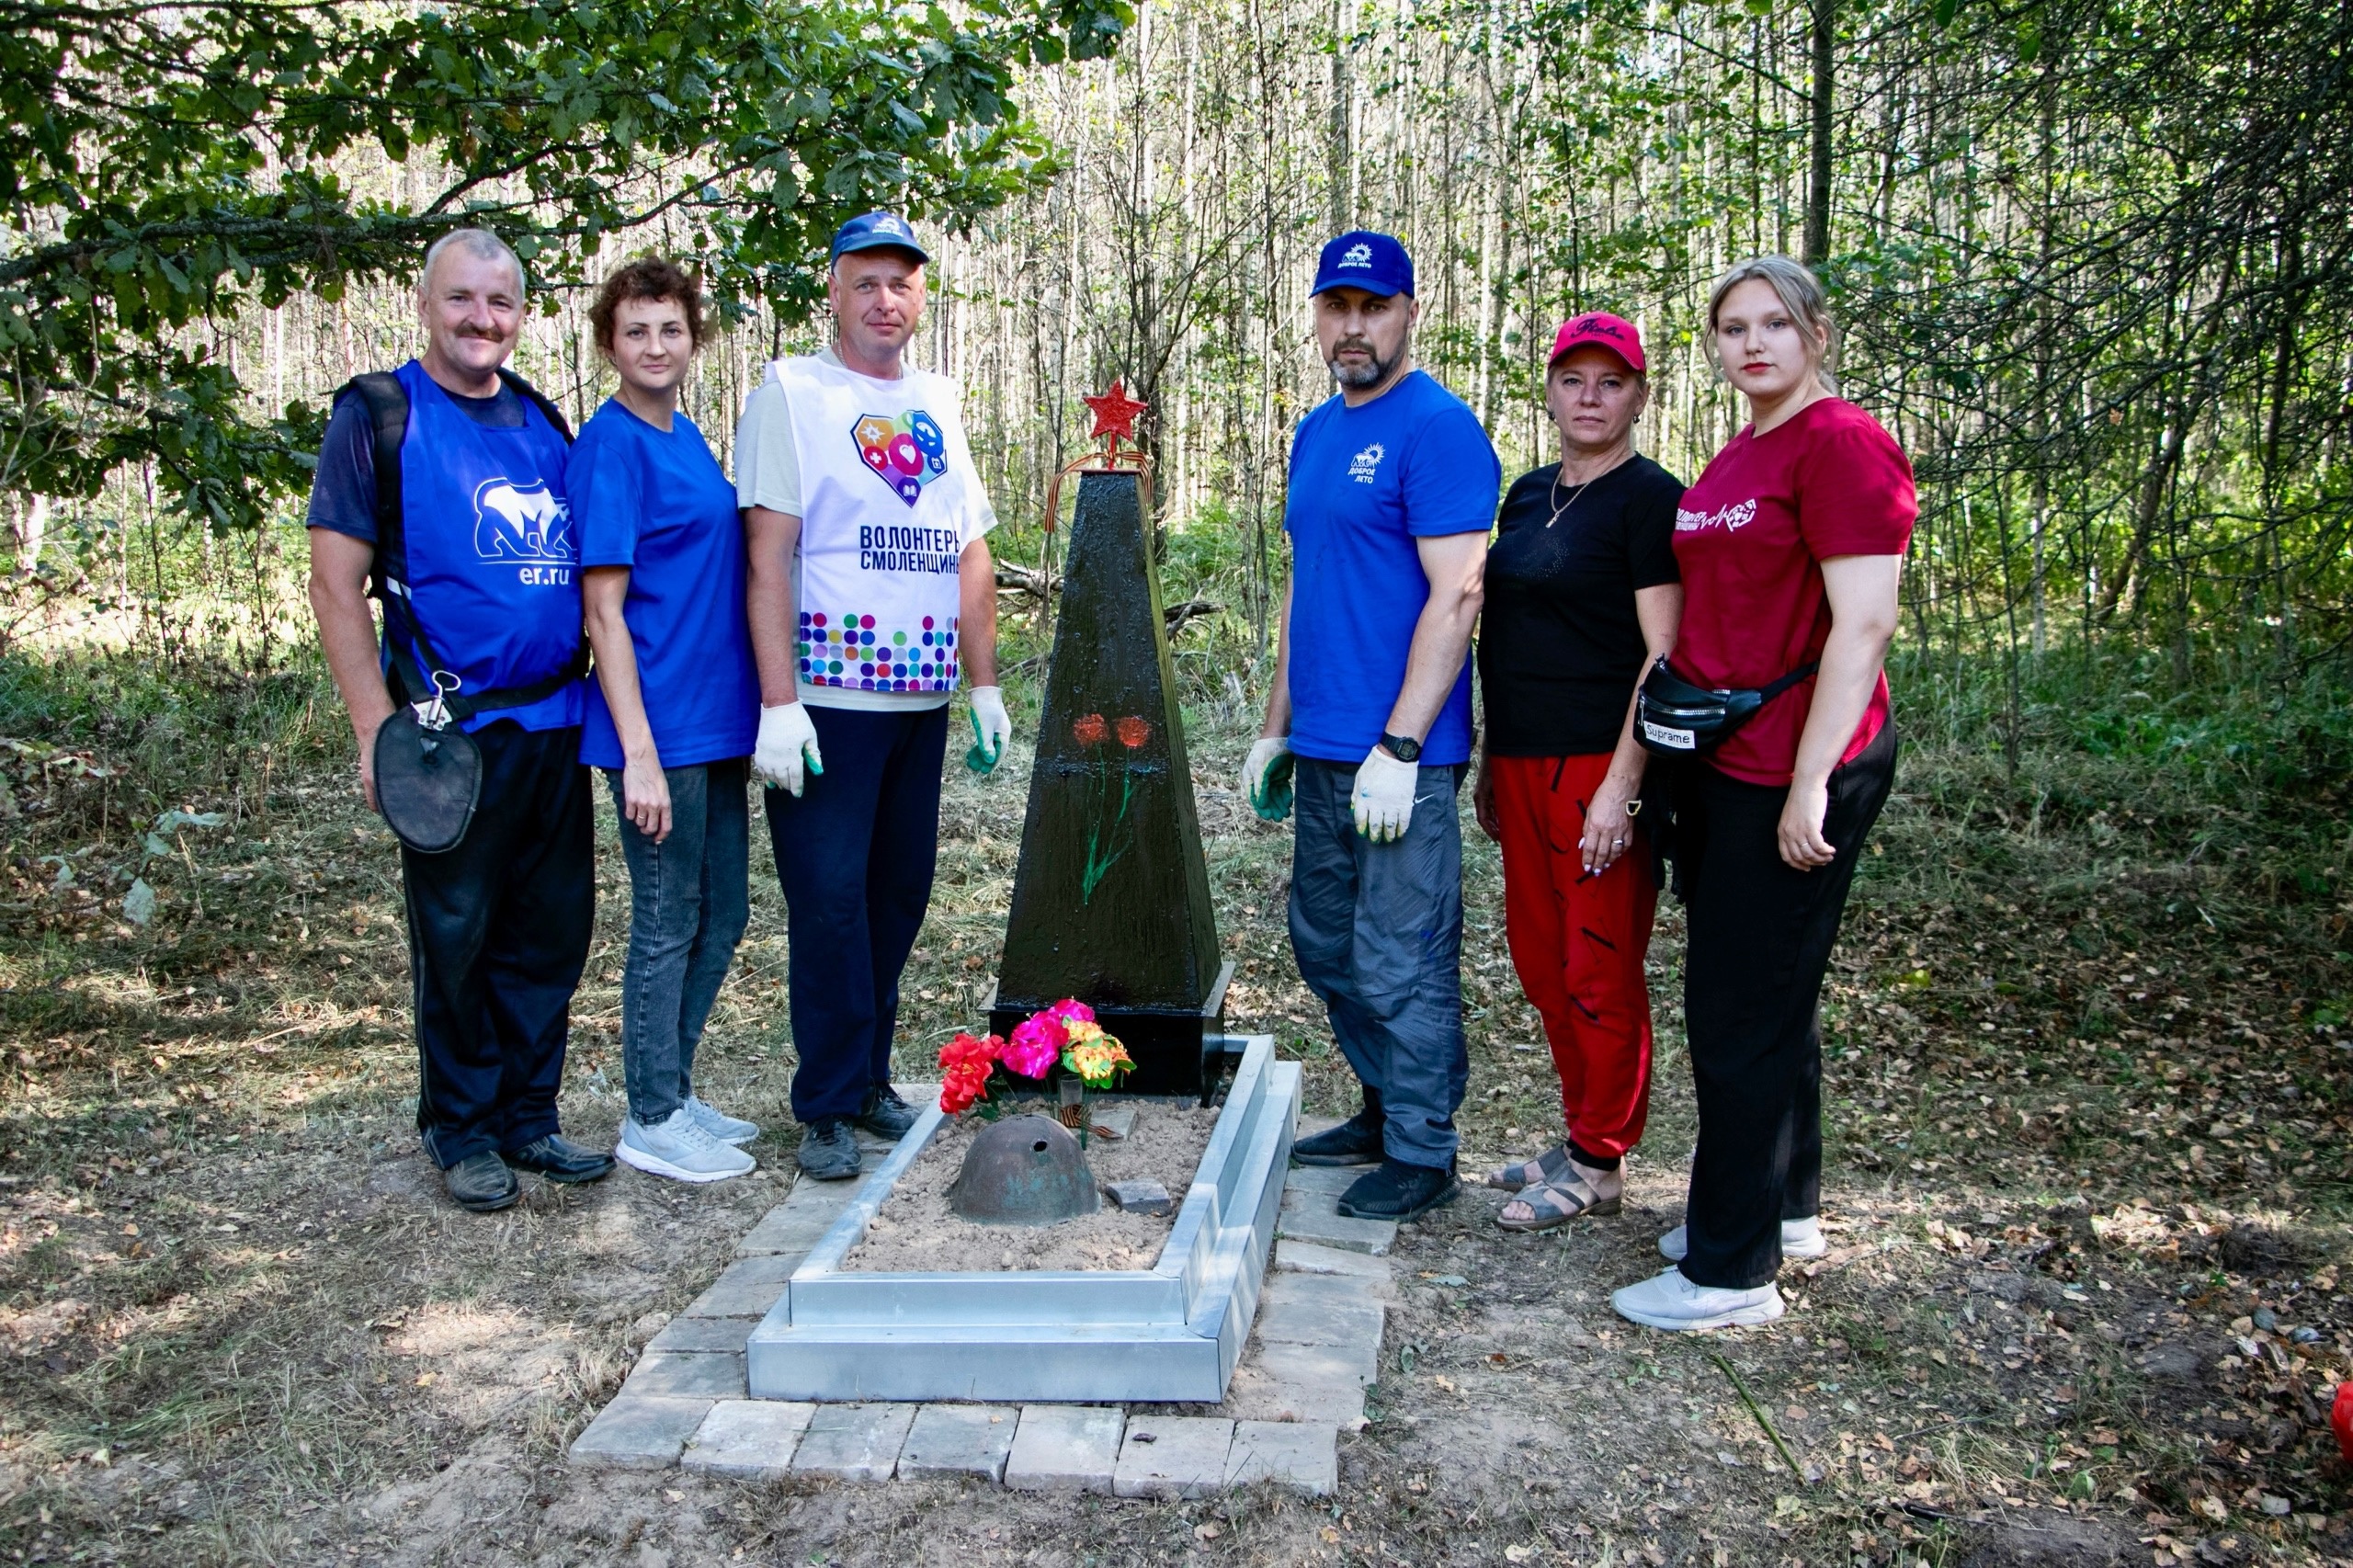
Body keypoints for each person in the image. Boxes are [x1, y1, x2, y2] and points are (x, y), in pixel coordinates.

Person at [1609, 256, 1913, 1332]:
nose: (1752, 343)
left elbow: (1864, 622)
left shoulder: (1841, 443)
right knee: (1770, 992)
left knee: (1737, 1008)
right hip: (1730, 755)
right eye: (1732, 326)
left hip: (1796, 759)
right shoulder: (1746, 447)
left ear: (1816, 332)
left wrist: (1812, 781)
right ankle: (1780, 1206)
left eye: (1774, 323)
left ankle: (1729, 1273)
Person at [305, 228, 613, 1213]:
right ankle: (463, 1127)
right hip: (450, 735)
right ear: (427, 303)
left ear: (522, 314)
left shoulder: (541, 420)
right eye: (462, 300)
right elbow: (335, 582)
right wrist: (374, 731)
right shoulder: (381, 414)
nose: (482, 320)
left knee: (551, 931)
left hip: (556, 723)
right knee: (459, 936)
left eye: (501, 303)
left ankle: (530, 1117)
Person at [737, 211, 1013, 1181]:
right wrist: (778, 699)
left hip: (916, 702)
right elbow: (766, 554)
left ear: (921, 295)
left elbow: (968, 548)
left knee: (895, 895)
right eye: (864, 282)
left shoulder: (938, 399)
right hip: (824, 702)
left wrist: (983, 685)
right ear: (834, 291)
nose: (883, 300)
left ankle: (865, 1079)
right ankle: (822, 1100)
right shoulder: (793, 393)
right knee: (826, 903)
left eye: (900, 283)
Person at [1243, 231, 1500, 1222]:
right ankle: (1381, 1102)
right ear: (1316, 317)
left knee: (1403, 954)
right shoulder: (1315, 430)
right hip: (1322, 744)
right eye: (1336, 307)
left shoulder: (1435, 428)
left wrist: (1399, 747)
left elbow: (1456, 595)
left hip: (1400, 757)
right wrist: (1277, 727)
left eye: (1373, 307)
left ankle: (1424, 1147)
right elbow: (1307, 586)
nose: (1354, 326)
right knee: (1325, 943)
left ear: (1407, 315)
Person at [1472, 312, 1683, 1232]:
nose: (1589, 397)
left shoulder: (1649, 499)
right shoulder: (1523, 495)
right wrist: (1486, 758)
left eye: (1610, 381)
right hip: (1518, 761)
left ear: (1639, 393)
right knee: (1542, 961)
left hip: (1598, 764)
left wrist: (1620, 783)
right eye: (1573, 379)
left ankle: (1601, 1157)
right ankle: (1578, 1129)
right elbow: (1501, 635)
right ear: (1549, 389)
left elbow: (1663, 651)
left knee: (1598, 965)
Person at [574, 257, 762, 1184]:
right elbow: (603, 612)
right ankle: (648, 1113)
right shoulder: (610, 445)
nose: (655, 345)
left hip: (715, 723)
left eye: (671, 329)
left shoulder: (685, 435)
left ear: (694, 340)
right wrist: (638, 756)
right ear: (610, 343)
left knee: (723, 912)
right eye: (635, 330)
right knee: (664, 920)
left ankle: (675, 1088)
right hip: (656, 732)